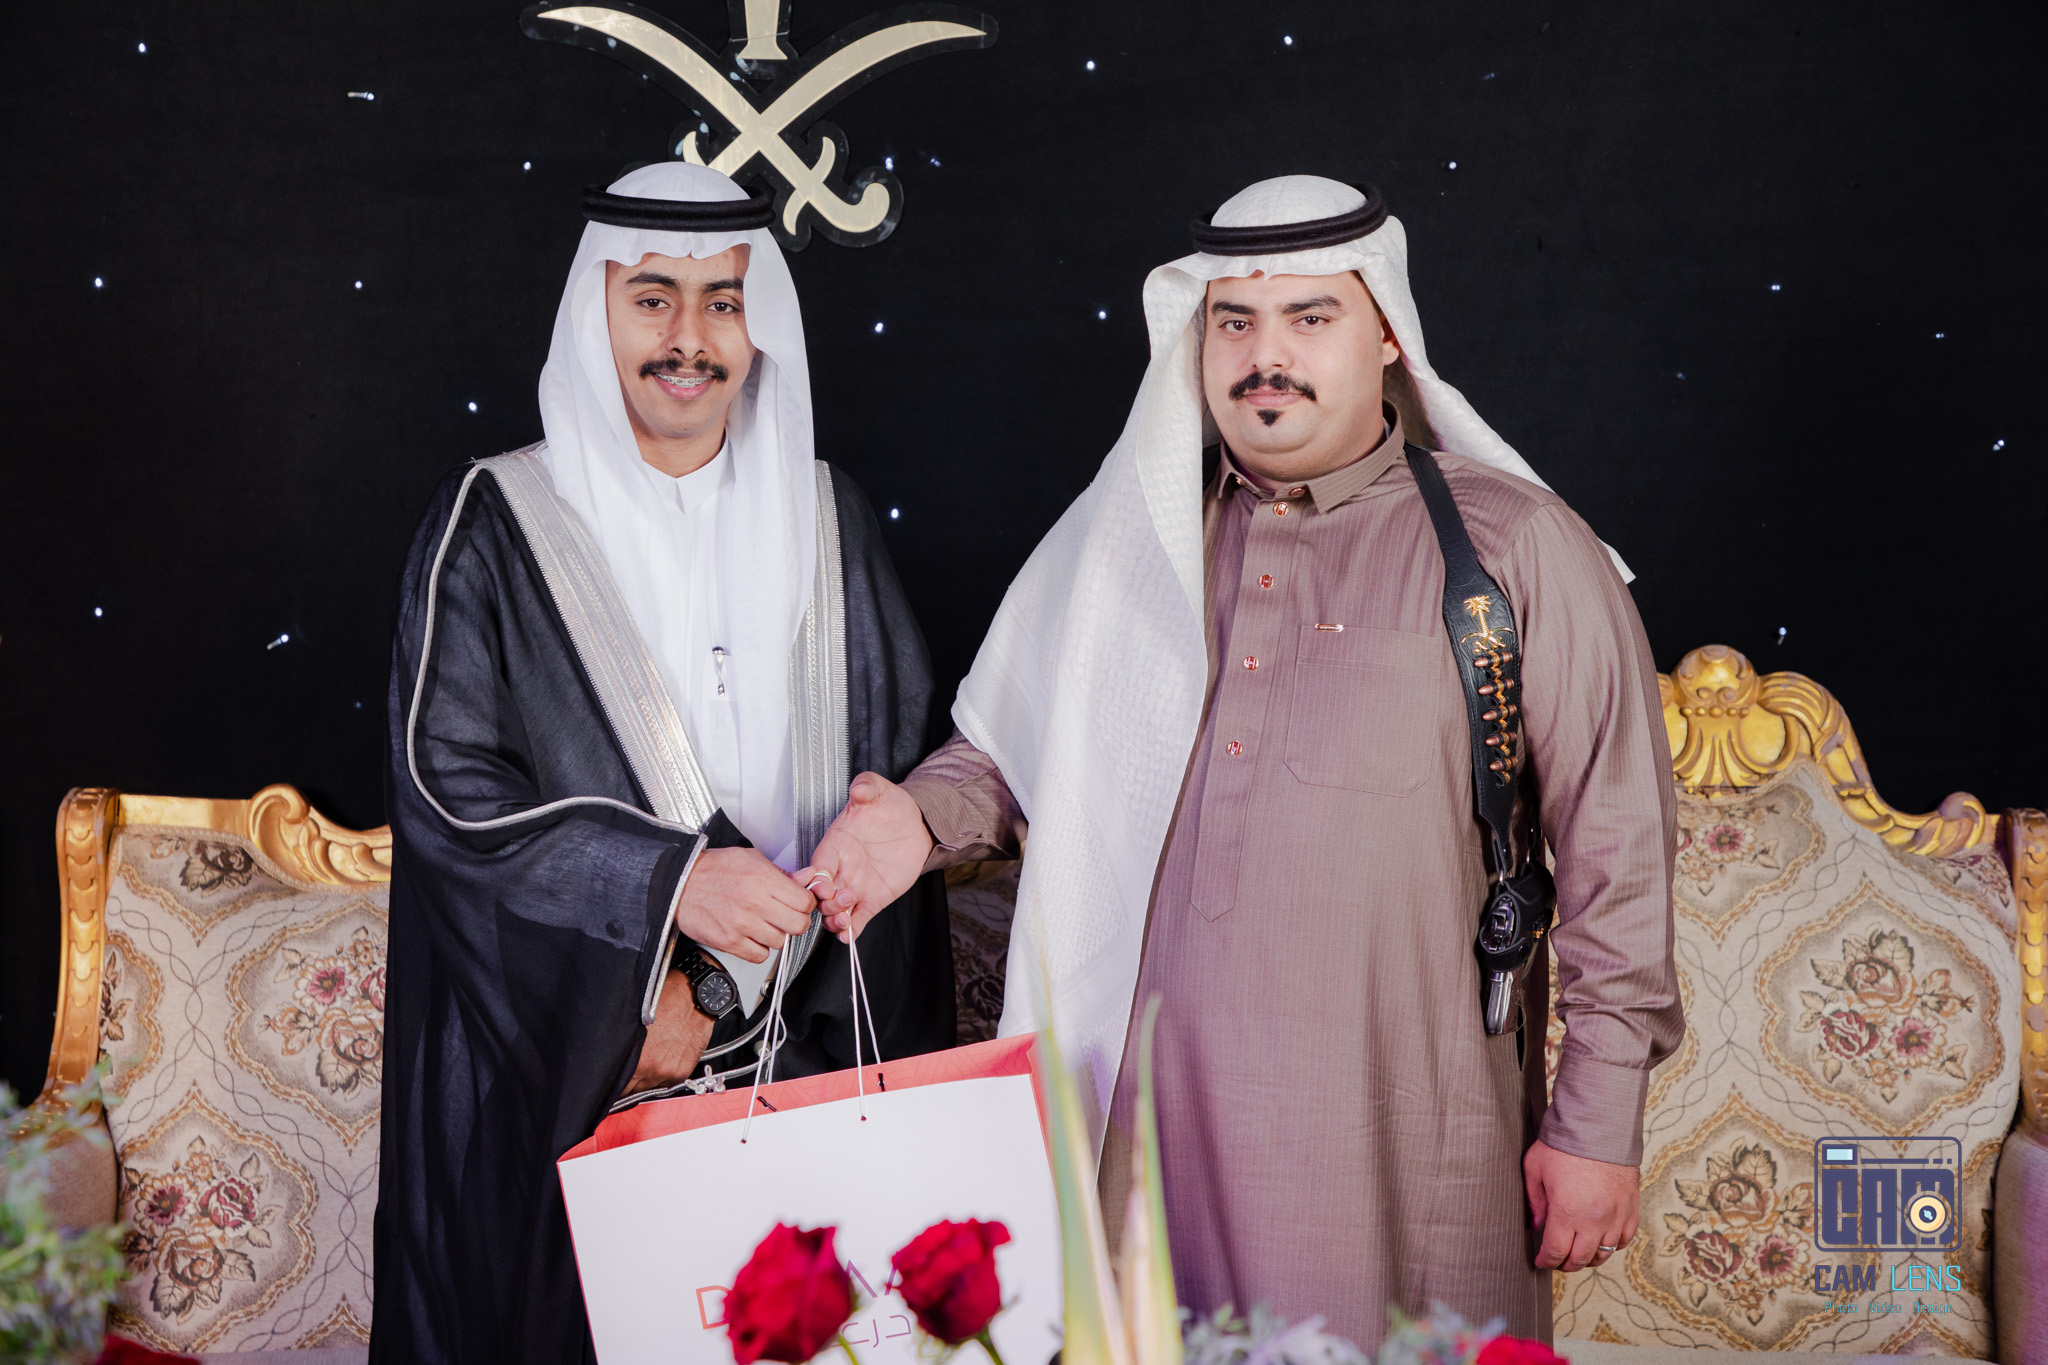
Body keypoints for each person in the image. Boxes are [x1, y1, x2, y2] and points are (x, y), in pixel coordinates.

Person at [800, 175, 1682, 1345]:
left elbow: (1617, 849)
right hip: (1149, 1116)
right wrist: (911, 823)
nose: (1266, 357)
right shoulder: (1134, 538)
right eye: (1234, 322)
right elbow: (1020, 749)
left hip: (1409, 1127)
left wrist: (1595, 1124)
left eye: (1309, 318)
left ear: (1385, 335)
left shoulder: (1512, 548)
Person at [371, 163, 953, 1364]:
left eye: (721, 302)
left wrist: (865, 858)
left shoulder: (830, 517)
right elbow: (443, 788)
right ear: (596, 312)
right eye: (651, 299)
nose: (688, 339)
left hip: (814, 1057)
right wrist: (665, 896)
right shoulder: (494, 518)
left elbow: (894, 768)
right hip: (601, 1058)